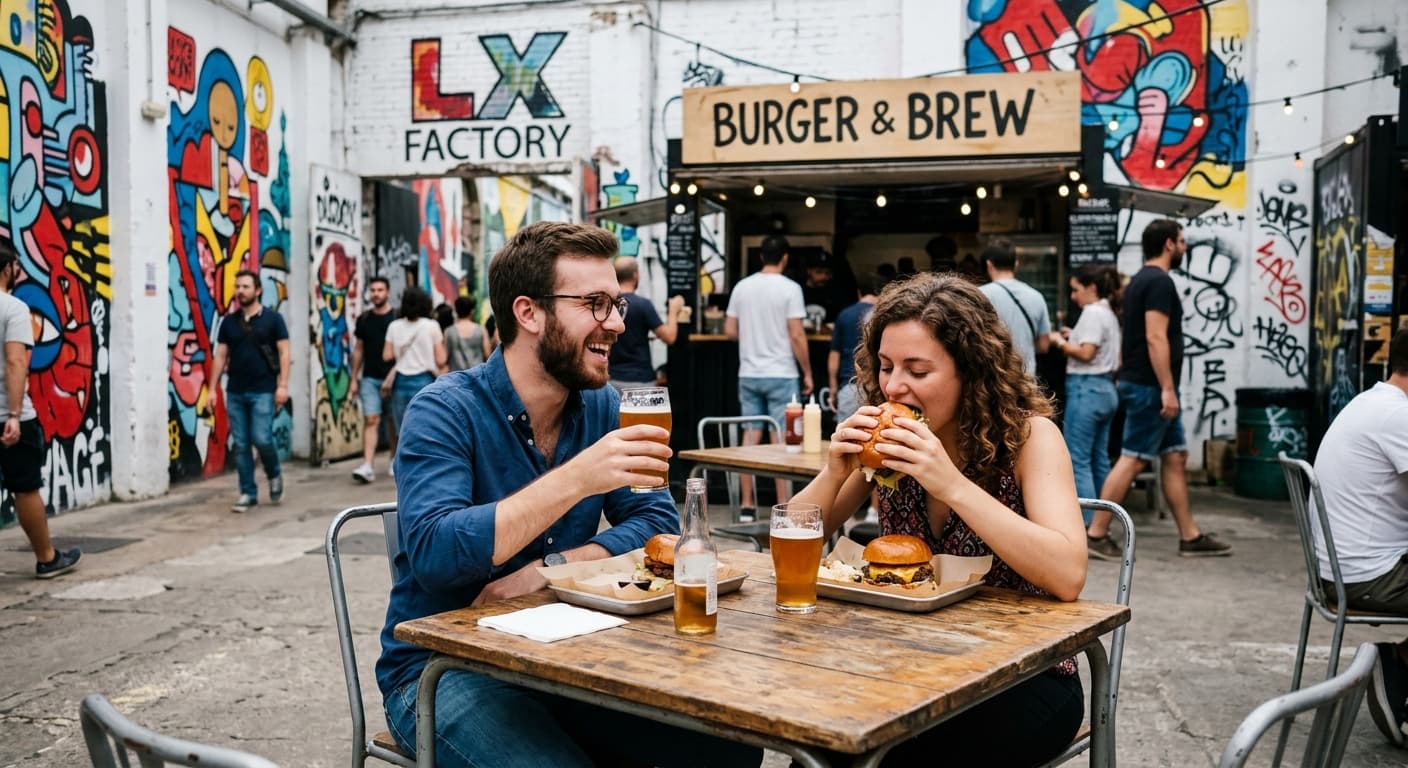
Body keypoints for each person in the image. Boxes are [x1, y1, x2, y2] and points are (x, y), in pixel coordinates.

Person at [376, 221, 761, 768]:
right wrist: (577, 478)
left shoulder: (601, 406)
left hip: (563, 656)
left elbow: (657, 523)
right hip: (441, 670)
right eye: (596, 304)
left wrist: (551, 568)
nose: (617, 324)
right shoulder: (445, 410)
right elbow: (436, 555)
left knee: (725, 748)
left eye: (619, 305)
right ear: (528, 312)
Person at [791, 272, 1087, 765]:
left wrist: (950, 483)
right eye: (885, 367)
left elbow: (1068, 573)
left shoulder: (1030, 437)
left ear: (971, 369)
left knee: (904, 755)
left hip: (1023, 676)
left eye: (917, 370)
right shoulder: (886, 444)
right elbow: (795, 536)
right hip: (910, 665)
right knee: (821, 742)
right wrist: (834, 470)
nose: (893, 386)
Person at [1085, 220, 1231, 559]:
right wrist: (1167, 388)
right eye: (1181, 241)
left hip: (1149, 385)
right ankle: (1096, 533)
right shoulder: (1159, 283)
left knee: (1176, 456)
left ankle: (1190, 537)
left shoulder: (1139, 280)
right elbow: (1154, 336)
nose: (1185, 247)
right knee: (1133, 459)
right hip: (1152, 388)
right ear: (1168, 244)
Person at [1311, 325, 1408, 746]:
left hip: (1342, 569)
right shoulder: (1397, 415)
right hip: (1366, 578)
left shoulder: (1372, 401)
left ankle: (1398, 660)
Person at [0, 242, 79, 578]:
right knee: (25, 487)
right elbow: (17, 361)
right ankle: (47, 557)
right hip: (8, 417)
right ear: (8, 268)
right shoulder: (14, 308)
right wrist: (15, 414)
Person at [726, 233, 811, 518]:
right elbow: (797, 334)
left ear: (761, 256)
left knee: (751, 436)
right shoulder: (790, 288)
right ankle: (784, 507)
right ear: (785, 258)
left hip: (748, 372)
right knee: (783, 440)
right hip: (782, 372)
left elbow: (729, 331)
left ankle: (747, 506)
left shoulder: (742, 287)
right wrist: (808, 372)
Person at [209, 270, 290, 513]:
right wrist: (212, 389)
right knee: (242, 444)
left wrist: (282, 385)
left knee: (262, 438)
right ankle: (248, 492)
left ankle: (274, 473)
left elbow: (285, 353)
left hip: (263, 390)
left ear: (258, 290)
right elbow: (221, 355)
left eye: (245, 286)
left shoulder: (273, 320)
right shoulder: (229, 322)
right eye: (237, 286)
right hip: (235, 391)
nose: (240, 291)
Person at [1048, 265, 1122, 523]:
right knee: (1099, 458)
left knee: (1078, 460)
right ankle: (1105, 520)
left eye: (1076, 290)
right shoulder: (1108, 313)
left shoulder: (1091, 313)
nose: (1073, 297)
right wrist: (1074, 337)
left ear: (1091, 288)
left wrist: (1059, 341)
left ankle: (1088, 525)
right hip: (1106, 389)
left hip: (1086, 389)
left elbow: (1087, 353)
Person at [381, 286, 446, 468]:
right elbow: (441, 359)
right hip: (425, 381)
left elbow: (386, 355)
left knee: (403, 429)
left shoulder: (394, 326)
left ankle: (402, 465)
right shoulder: (431, 326)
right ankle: (427, 463)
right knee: (428, 425)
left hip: (401, 382)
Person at [608, 256, 684, 392]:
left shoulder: (608, 304)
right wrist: (673, 310)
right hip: (641, 380)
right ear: (636, 275)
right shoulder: (643, 305)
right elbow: (670, 337)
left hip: (612, 380)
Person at [979, 237, 1051, 374]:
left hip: (992, 379)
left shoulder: (979, 295)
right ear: (1016, 264)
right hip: (1026, 379)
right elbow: (1044, 345)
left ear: (989, 264)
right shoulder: (1036, 296)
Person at [349, 277, 396, 484]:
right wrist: (353, 378)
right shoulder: (365, 319)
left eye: (380, 290)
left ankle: (394, 459)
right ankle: (368, 465)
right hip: (370, 377)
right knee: (371, 419)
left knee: (393, 422)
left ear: (388, 292)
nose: (376, 293)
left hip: (394, 378)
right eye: (373, 290)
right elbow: (358, 349)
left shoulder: (396, 318)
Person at [828, 271, 884, 421]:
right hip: (879, 387)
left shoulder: (845, 315)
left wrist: (833, 387)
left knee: (846, 439)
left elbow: (834, 355)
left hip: (850, 385)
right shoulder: (885, 316)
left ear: (859, 292)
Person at [443, 295, 490, 371]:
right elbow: (487, 354)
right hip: (477, 375)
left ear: (456, 310)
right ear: (472, 311)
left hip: (456, 377)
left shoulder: (448, 331)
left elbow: (444, 358)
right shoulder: (481, 330)